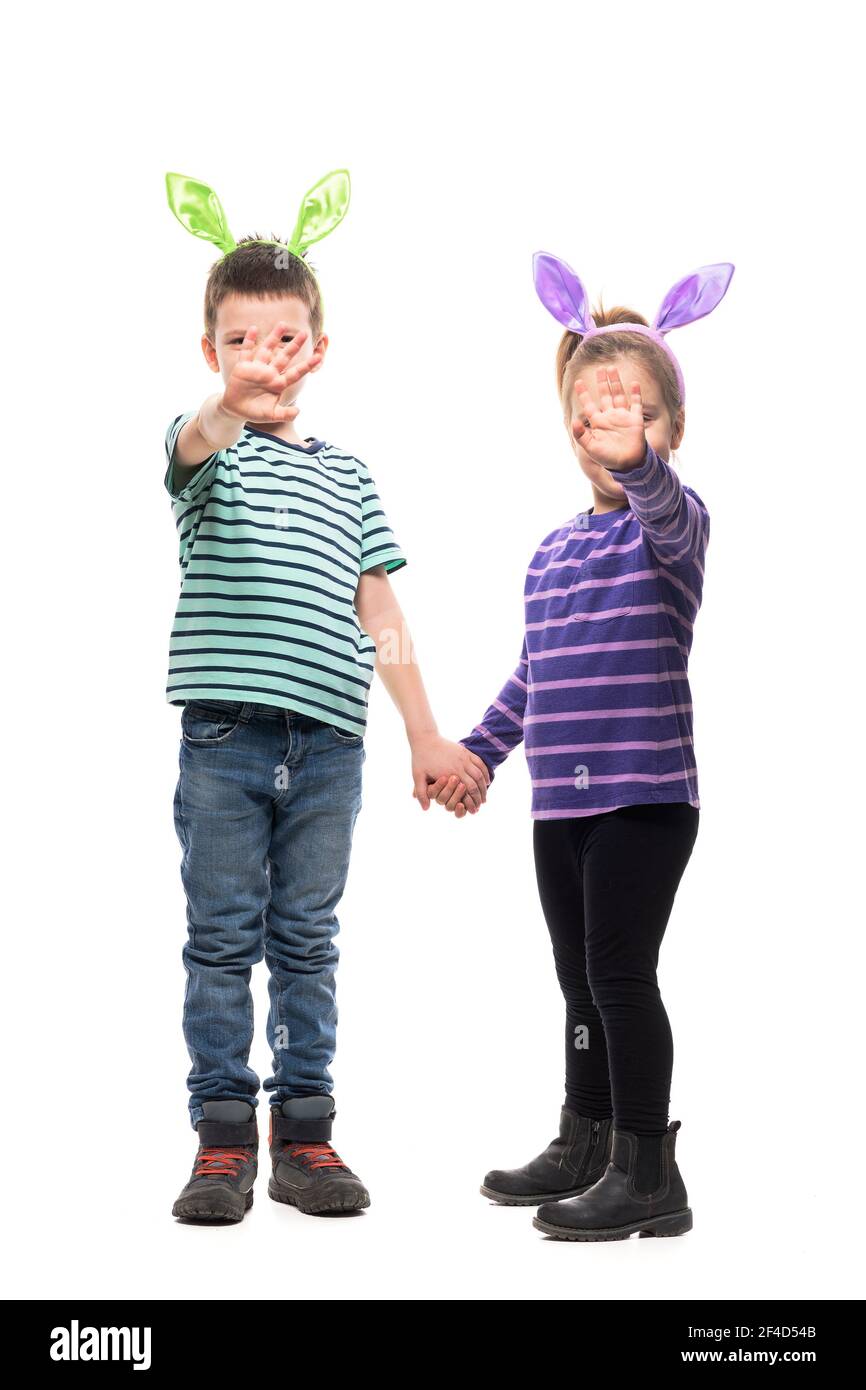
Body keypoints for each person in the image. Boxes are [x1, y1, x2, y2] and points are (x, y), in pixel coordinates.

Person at [163, 171, 490, 1223]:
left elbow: (378, 605)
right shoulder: (209, 452)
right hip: (225, 735)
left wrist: (424, 730)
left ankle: (303, 1134)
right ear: (211, 352)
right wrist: (225, 407)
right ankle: (222, 1138)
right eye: (241, 340)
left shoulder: (347, 475)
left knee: (307, 936)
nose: (264, 357)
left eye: (283, 338)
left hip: (330, 744)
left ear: (318, 347)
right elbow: (189, 445)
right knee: (221, 935)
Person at [429, 255, 733, 1240]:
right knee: (576, 974)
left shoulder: (670, 532)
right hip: (558, 804)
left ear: (669, 431)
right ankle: (585, 1133)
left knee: (618, 971)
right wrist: (478, 749)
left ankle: (647, 1169)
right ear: (569, 427)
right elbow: (537, 670)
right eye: (595, 414)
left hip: (643, 800)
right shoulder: (551, 551)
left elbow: (663, 505)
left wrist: (642, 464)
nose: (611, 430)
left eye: (636, 414)